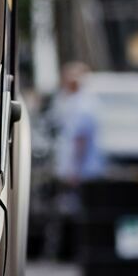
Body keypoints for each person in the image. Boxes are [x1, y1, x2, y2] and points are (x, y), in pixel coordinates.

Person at [49, 63, 104, 259]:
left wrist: (74, 169)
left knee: (82, 212)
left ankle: (83, 251)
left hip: (83, 170)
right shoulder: (69, 100)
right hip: (79, 168)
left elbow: (81, 139)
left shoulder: (83, 104)